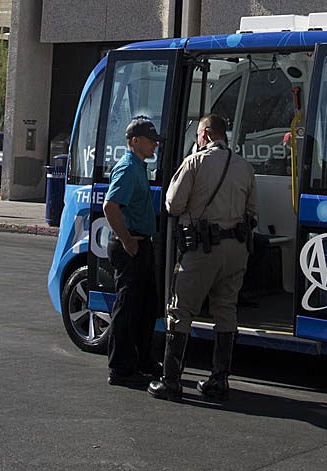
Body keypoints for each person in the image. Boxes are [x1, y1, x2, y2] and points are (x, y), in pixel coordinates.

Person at [148, 114, 257, 401]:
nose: (197, 139)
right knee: (226, 308)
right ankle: (219, 380)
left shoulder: (195, 163)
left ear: (206, 134)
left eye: (198, 134)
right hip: (236, 249)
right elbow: (253, 210)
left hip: (202, 249)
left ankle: (171, 381)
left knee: (181, 310)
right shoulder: (245, 167)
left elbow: (173, 203)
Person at [103, 117, 164, 387]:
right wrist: (127, 240)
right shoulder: (128, 168)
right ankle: (120, 368)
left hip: (141, 243)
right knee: (127, 309)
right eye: (150, 141)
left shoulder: (139, 167)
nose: (154, 146)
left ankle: (141, 361)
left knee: (146, 306)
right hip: (131, 245)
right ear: (135, 141)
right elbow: (110, 206)